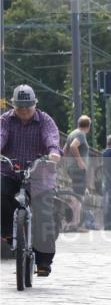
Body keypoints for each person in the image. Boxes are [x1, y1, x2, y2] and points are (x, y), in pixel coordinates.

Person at [0, 85, 63, 276]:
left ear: (35, 104)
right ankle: (8, 232)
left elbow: (51, 138)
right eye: (20, 107)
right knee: (1, 193)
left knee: (44, 215)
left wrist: (53, 152)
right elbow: (1, 136)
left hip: (39, 174)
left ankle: (43, 261)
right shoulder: (5, 120)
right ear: (14, 106)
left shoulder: (45, 120)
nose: (24, 111)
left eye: (28, 107)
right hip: (10, 171)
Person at [66, 115, 96, 229]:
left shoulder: (72, 133)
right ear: (88, 126)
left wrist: (66, 164)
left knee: (76, 194)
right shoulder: (81, 134)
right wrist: (80, 161)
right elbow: (73, 146)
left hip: (71, 168)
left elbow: (64, 150)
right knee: (78, 195)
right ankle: (75, 222)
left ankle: (74, 221)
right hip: (78, 169)